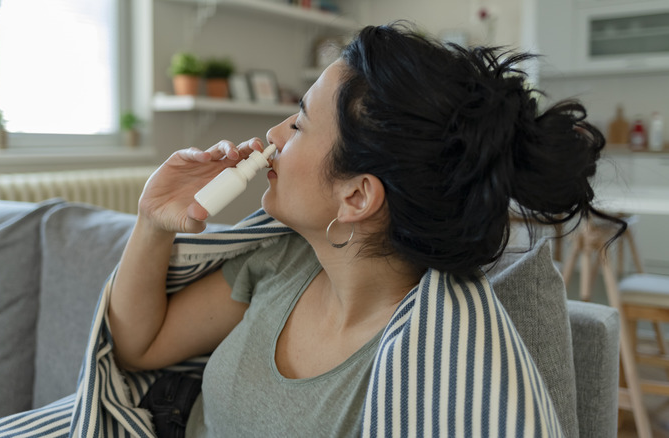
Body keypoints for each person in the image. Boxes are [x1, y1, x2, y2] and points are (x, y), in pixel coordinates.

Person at [108, 23, 622, 437]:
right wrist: (153, 221)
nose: (273, 134)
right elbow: (140, 347)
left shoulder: (425, 370)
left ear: (356, 196)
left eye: (300, 123)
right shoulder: (284, 261)